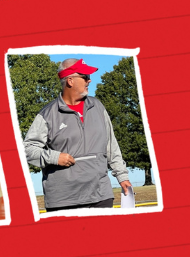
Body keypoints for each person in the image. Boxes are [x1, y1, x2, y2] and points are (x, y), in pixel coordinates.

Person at [23, 58, 131, 211]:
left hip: (101, 195)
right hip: (64, 200)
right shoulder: (47, 114)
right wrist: (54, 157)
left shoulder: (98, 107)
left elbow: (111, 145)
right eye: (85, 76)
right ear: (70, 81)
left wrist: (122, 176)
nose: (89, 80)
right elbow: (27, 150)